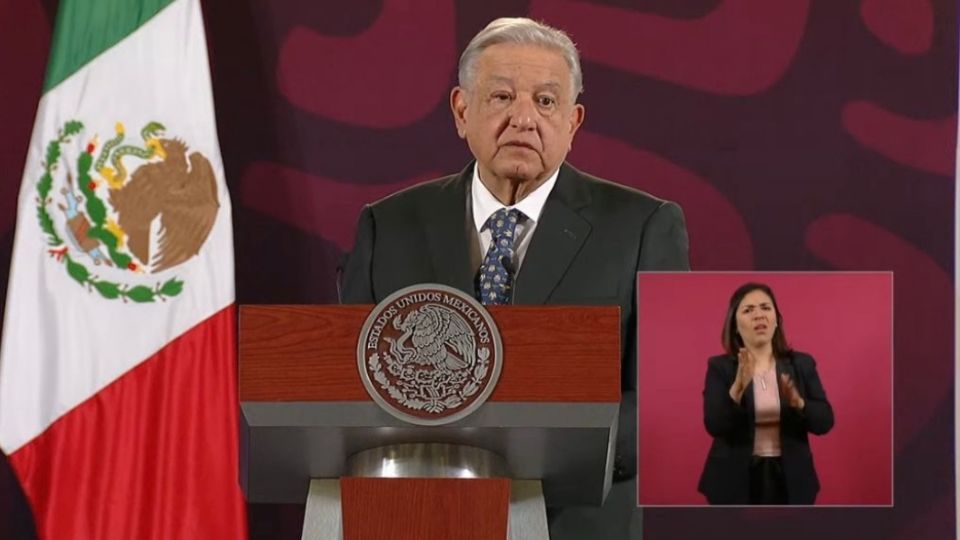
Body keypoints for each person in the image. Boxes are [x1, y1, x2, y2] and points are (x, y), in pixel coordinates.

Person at [341, 17, 689, 536]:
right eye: (501, 97)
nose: (524, 119)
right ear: (462, 111)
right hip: (416, 517)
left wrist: (537, 451)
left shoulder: (643, 226)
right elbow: (347, 389)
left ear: (573, 121)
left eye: (545, 102)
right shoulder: (388, 225)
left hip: (574, 520)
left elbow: (667, 400)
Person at [698, 283, 834, 505]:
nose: (758, 315)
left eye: (765, 308)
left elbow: (825, 421)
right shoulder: (719, 367)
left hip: (791, 475)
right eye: (748, 310)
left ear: (777, 319)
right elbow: (715, 425)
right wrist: (737, 389)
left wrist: (799, 403)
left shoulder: (801, 364)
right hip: (734, 476)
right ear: (734, 325)